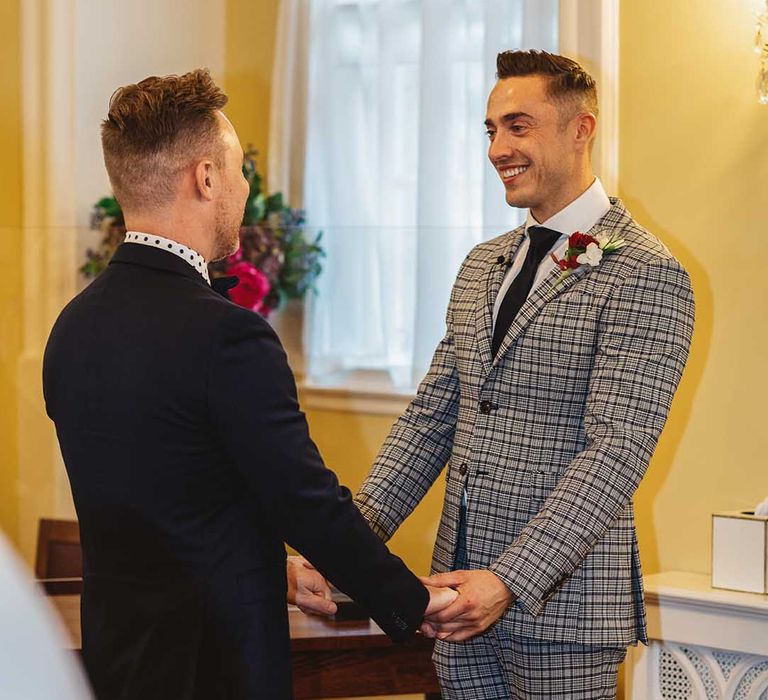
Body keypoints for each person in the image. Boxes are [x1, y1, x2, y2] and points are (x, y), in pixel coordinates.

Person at [42, 69, 455, 700]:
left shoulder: (72, 327)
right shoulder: (227, 336)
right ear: (205, 178)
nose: (245, 185)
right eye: (238, 169)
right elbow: (305, 502)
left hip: (116, 662)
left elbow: (170, 511)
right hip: (214, 667)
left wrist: (277, 572)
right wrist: (411, 600)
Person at [298, 49, 695, 698]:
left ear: (581, 128)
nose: (497, 148)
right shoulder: (483, 264)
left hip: (561, 613)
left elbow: (616, 452)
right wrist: (349, 548)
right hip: (455, 604)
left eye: (519, 125)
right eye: (491, 129)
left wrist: (508, 578)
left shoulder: (644, 271)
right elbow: (431, 420)